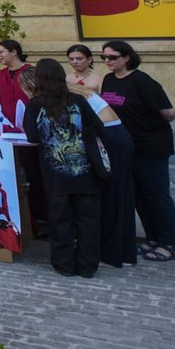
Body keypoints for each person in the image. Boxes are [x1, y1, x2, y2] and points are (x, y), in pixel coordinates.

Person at [22, 58, 105, 277]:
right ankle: (88, 265)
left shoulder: (35, 104)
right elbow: (98, 127)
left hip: (55, 173)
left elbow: (31, 136)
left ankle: (64, 264)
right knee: (88, 220)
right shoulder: (77, 100)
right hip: (85, 171)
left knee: (60, 219)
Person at [100, 40, 175, 262]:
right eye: (104, 57)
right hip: (125, 147)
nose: (107, 61)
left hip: (150, 145)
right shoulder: (108, 80)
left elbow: (169, 113)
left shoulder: (142, 82)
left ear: (126, 57)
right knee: (139, 197)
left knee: (156, 194)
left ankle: (168, 242)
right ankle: (153, 238)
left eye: (112, 57)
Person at [66, 51, 136, 268]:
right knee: (110, 197)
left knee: (114, 196)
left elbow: (90, 126)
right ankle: (112, 248)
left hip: (111, 138)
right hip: (110, 136)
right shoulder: (75, 92)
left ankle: (115, 250)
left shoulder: (76, 96)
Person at [0, 39, 32, 129]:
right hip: (5, 126)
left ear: (13, 52)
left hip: (29, 124)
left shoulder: (30, 72)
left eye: (0, 52)